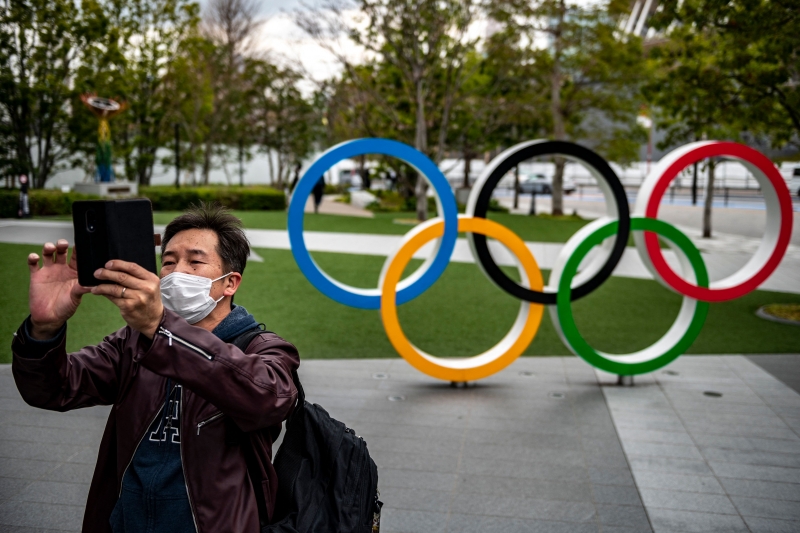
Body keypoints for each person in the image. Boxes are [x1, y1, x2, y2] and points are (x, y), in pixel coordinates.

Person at [12, 203, 299, 533]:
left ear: (229, 283)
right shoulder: (132, 343)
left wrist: (162, 330)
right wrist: (44, 330)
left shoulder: (264, 349)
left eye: (195, 261)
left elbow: (268, 398)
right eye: (168, 261)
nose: (177, 272)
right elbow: (53, 389)